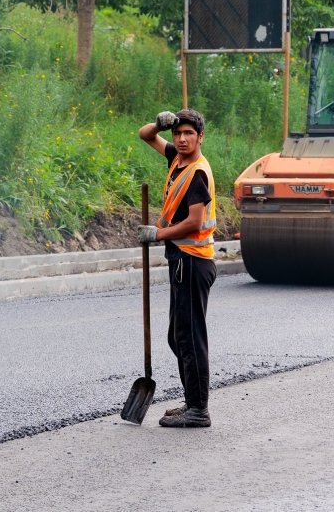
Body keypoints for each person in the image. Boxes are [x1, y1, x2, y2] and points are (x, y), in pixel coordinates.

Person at [137, 109, 217, 428]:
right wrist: (158, 123)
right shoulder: (176, 159)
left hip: (193, 261)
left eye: (189, 134)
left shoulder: (197, 171)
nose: (181, 139)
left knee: (189, 336)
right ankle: (191, 402)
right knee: (177, 335)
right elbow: (145, 135)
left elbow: (194, 222)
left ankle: (199, 409)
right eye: (177, 133)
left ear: (200, 137)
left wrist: (157, 234)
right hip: (182, 259)